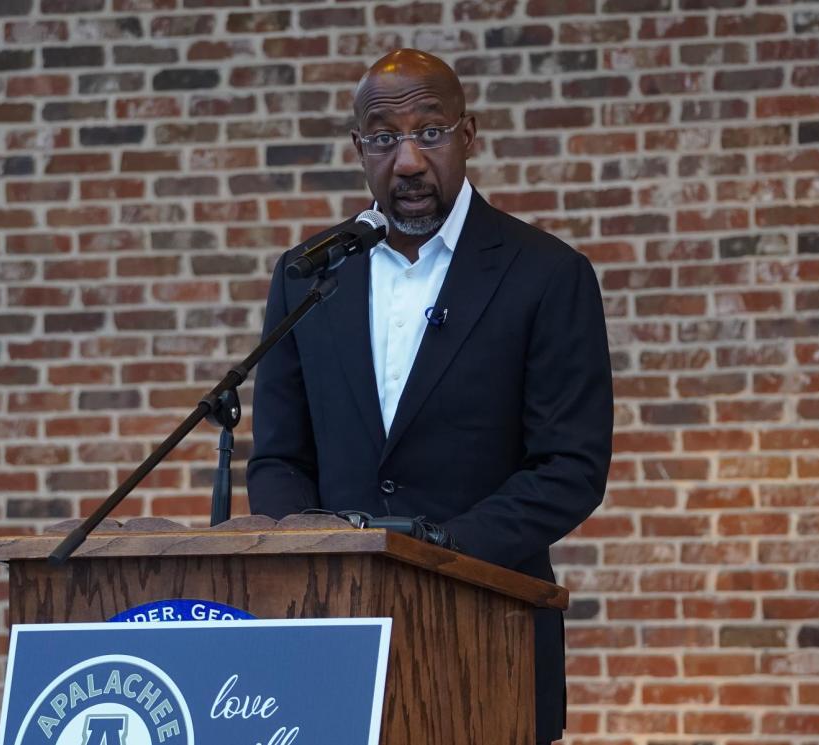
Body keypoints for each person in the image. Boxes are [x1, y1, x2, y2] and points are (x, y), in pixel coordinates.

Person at [246, 49, 613, 744]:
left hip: (490, 634)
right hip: (330, 643)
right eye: (384, 137)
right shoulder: (308, 276)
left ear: (468, 135)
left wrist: (436, 553)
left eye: (430, 131)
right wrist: (315, 566)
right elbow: (278, 459)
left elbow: (570, 467)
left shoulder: (548, 274)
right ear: (359, 148)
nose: (408, 160)